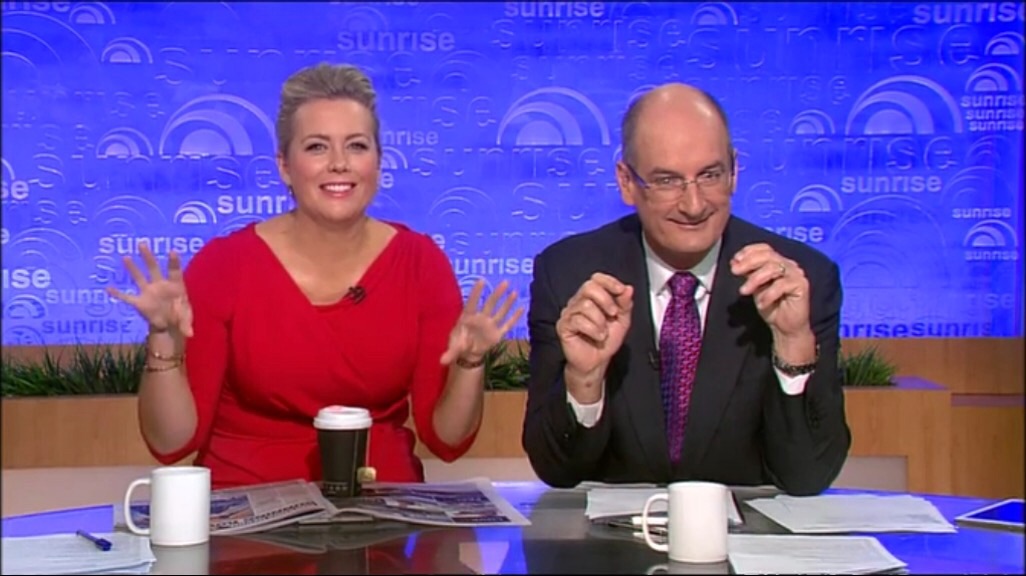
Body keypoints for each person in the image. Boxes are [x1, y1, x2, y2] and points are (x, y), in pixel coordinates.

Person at [109, 63, 523, 489]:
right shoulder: (224, 266)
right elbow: (172, 443)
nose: (339, 164)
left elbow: (448, 441)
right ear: (285, 166)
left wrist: (471, 362)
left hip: (379, 507)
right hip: (248, 506)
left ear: (378, 162)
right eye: (317, 147)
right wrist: (163, 337)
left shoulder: (421, 264)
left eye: (357, 146)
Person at [521, 83, 851, 496]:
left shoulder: (799, 282)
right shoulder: (569, 274)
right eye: (667, 181)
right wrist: (584, 380)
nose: (694, 205)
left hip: (749, 534)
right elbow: (557, 470)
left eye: (710, 175)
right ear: (626, 182)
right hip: (611, 536)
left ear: (735, 171)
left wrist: (793, 344)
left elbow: (809, 477)